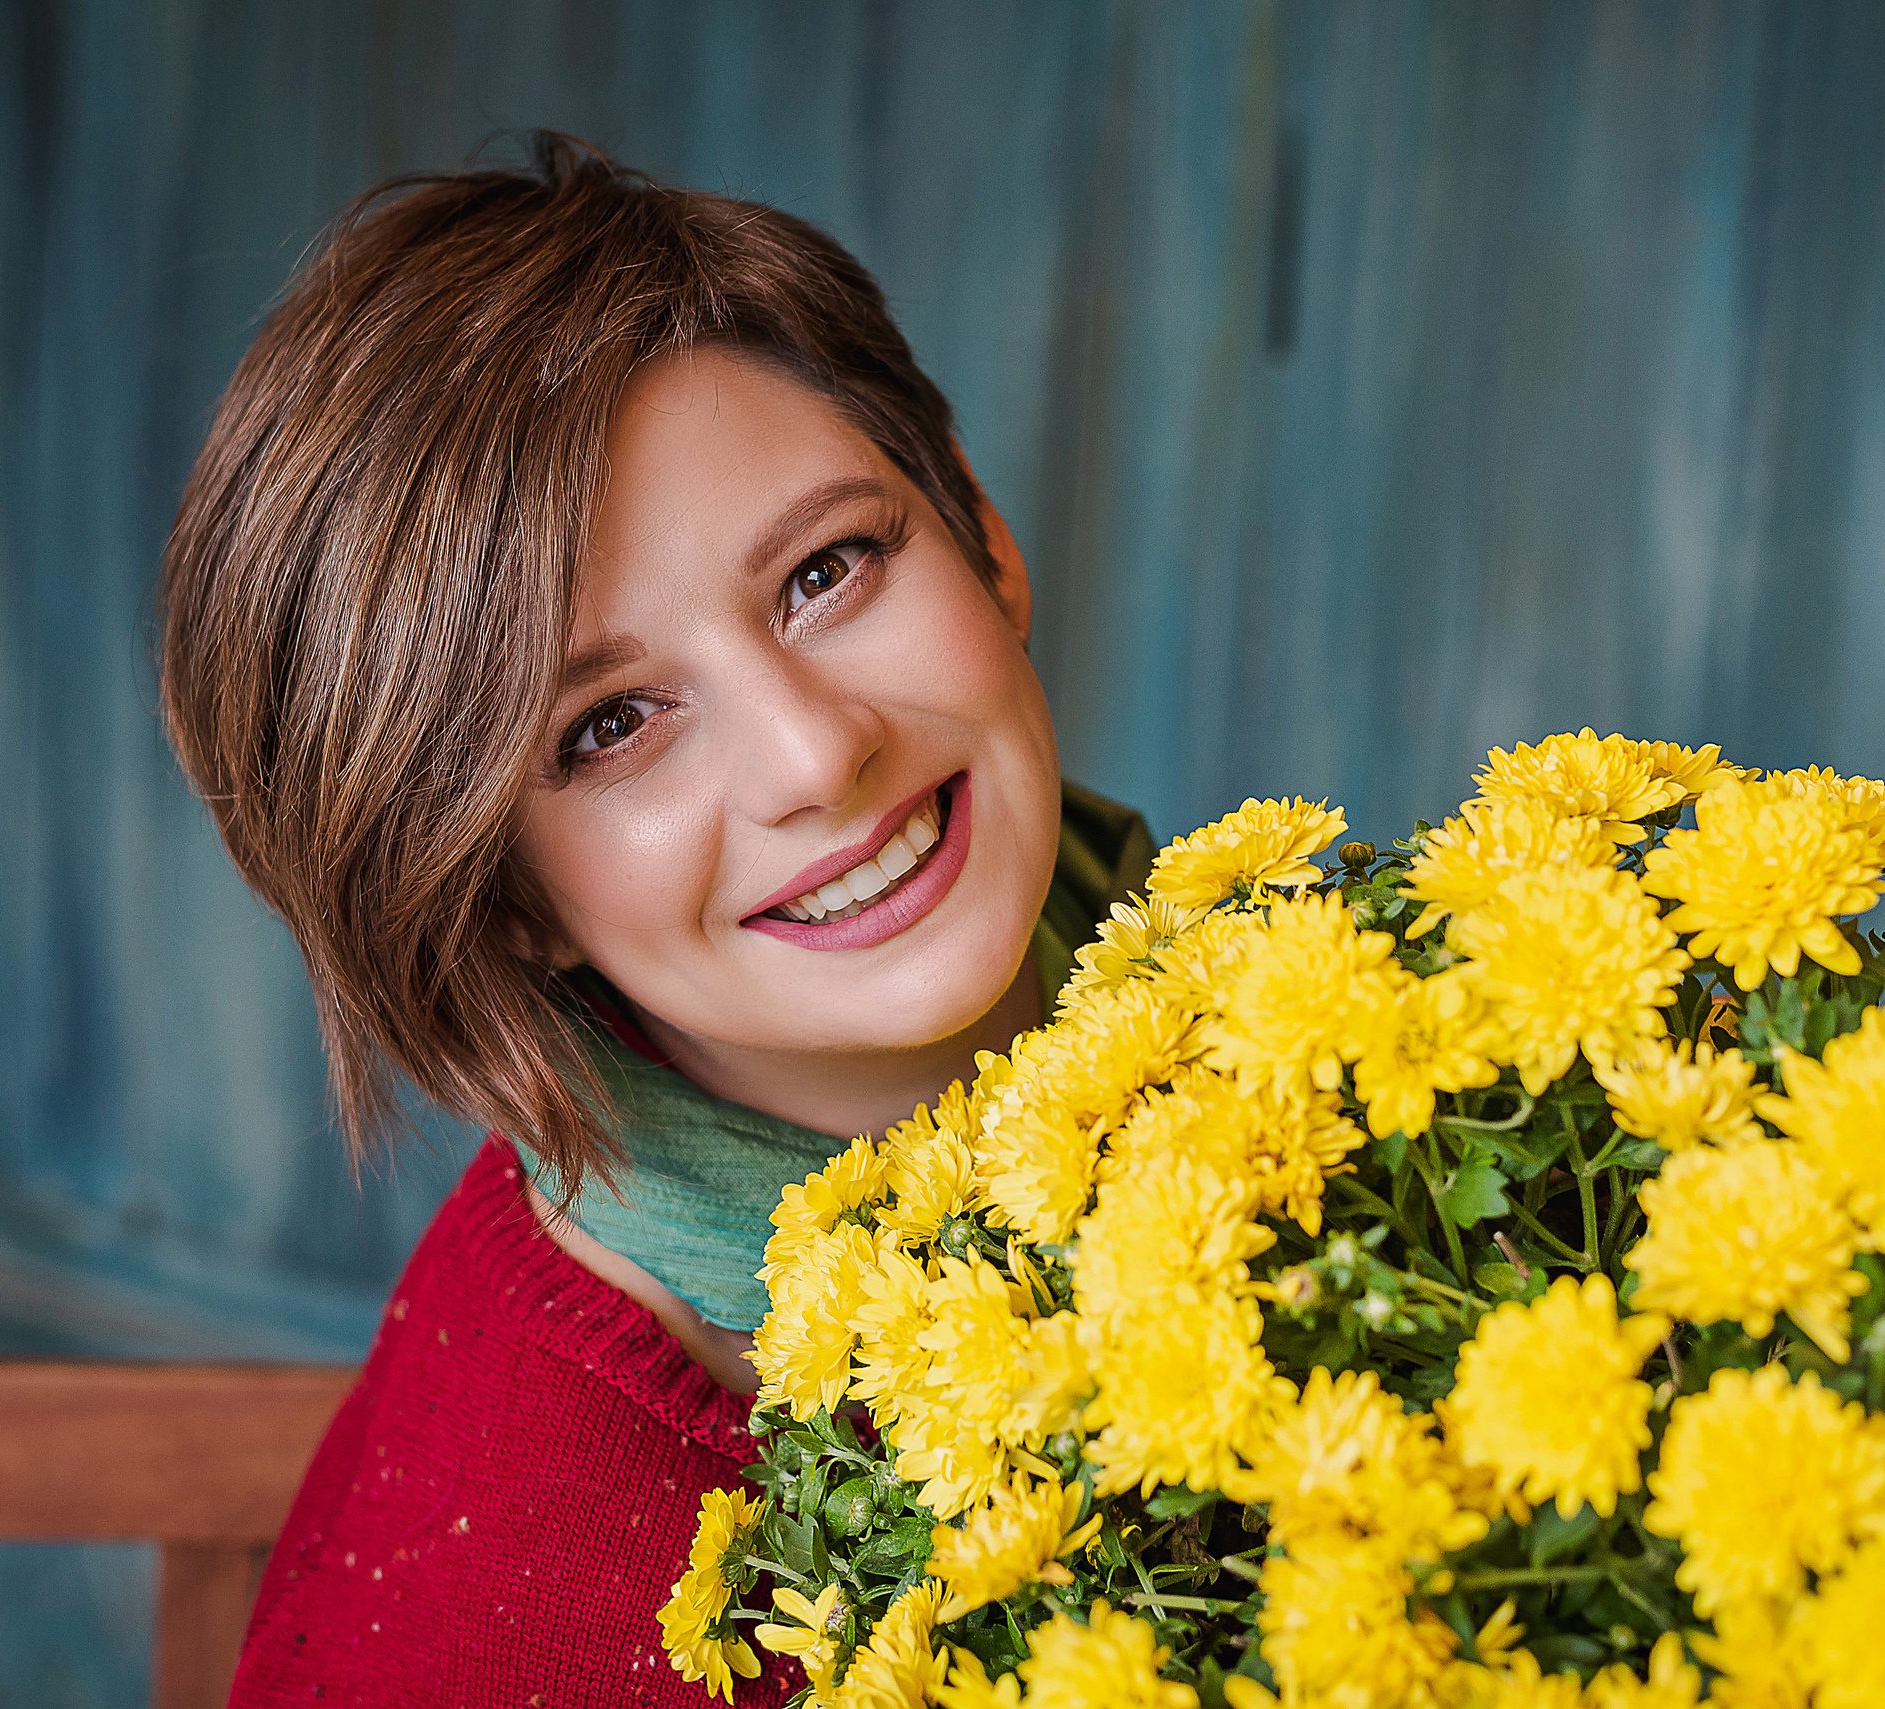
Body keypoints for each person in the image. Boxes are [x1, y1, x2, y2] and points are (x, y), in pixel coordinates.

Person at [156, 132, 1150, 1705]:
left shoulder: (1306, 1009)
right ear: (501, 902)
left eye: (826, 570)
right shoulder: (529, 1596)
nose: (816, 753)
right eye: (610, 725)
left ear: (983, 533)